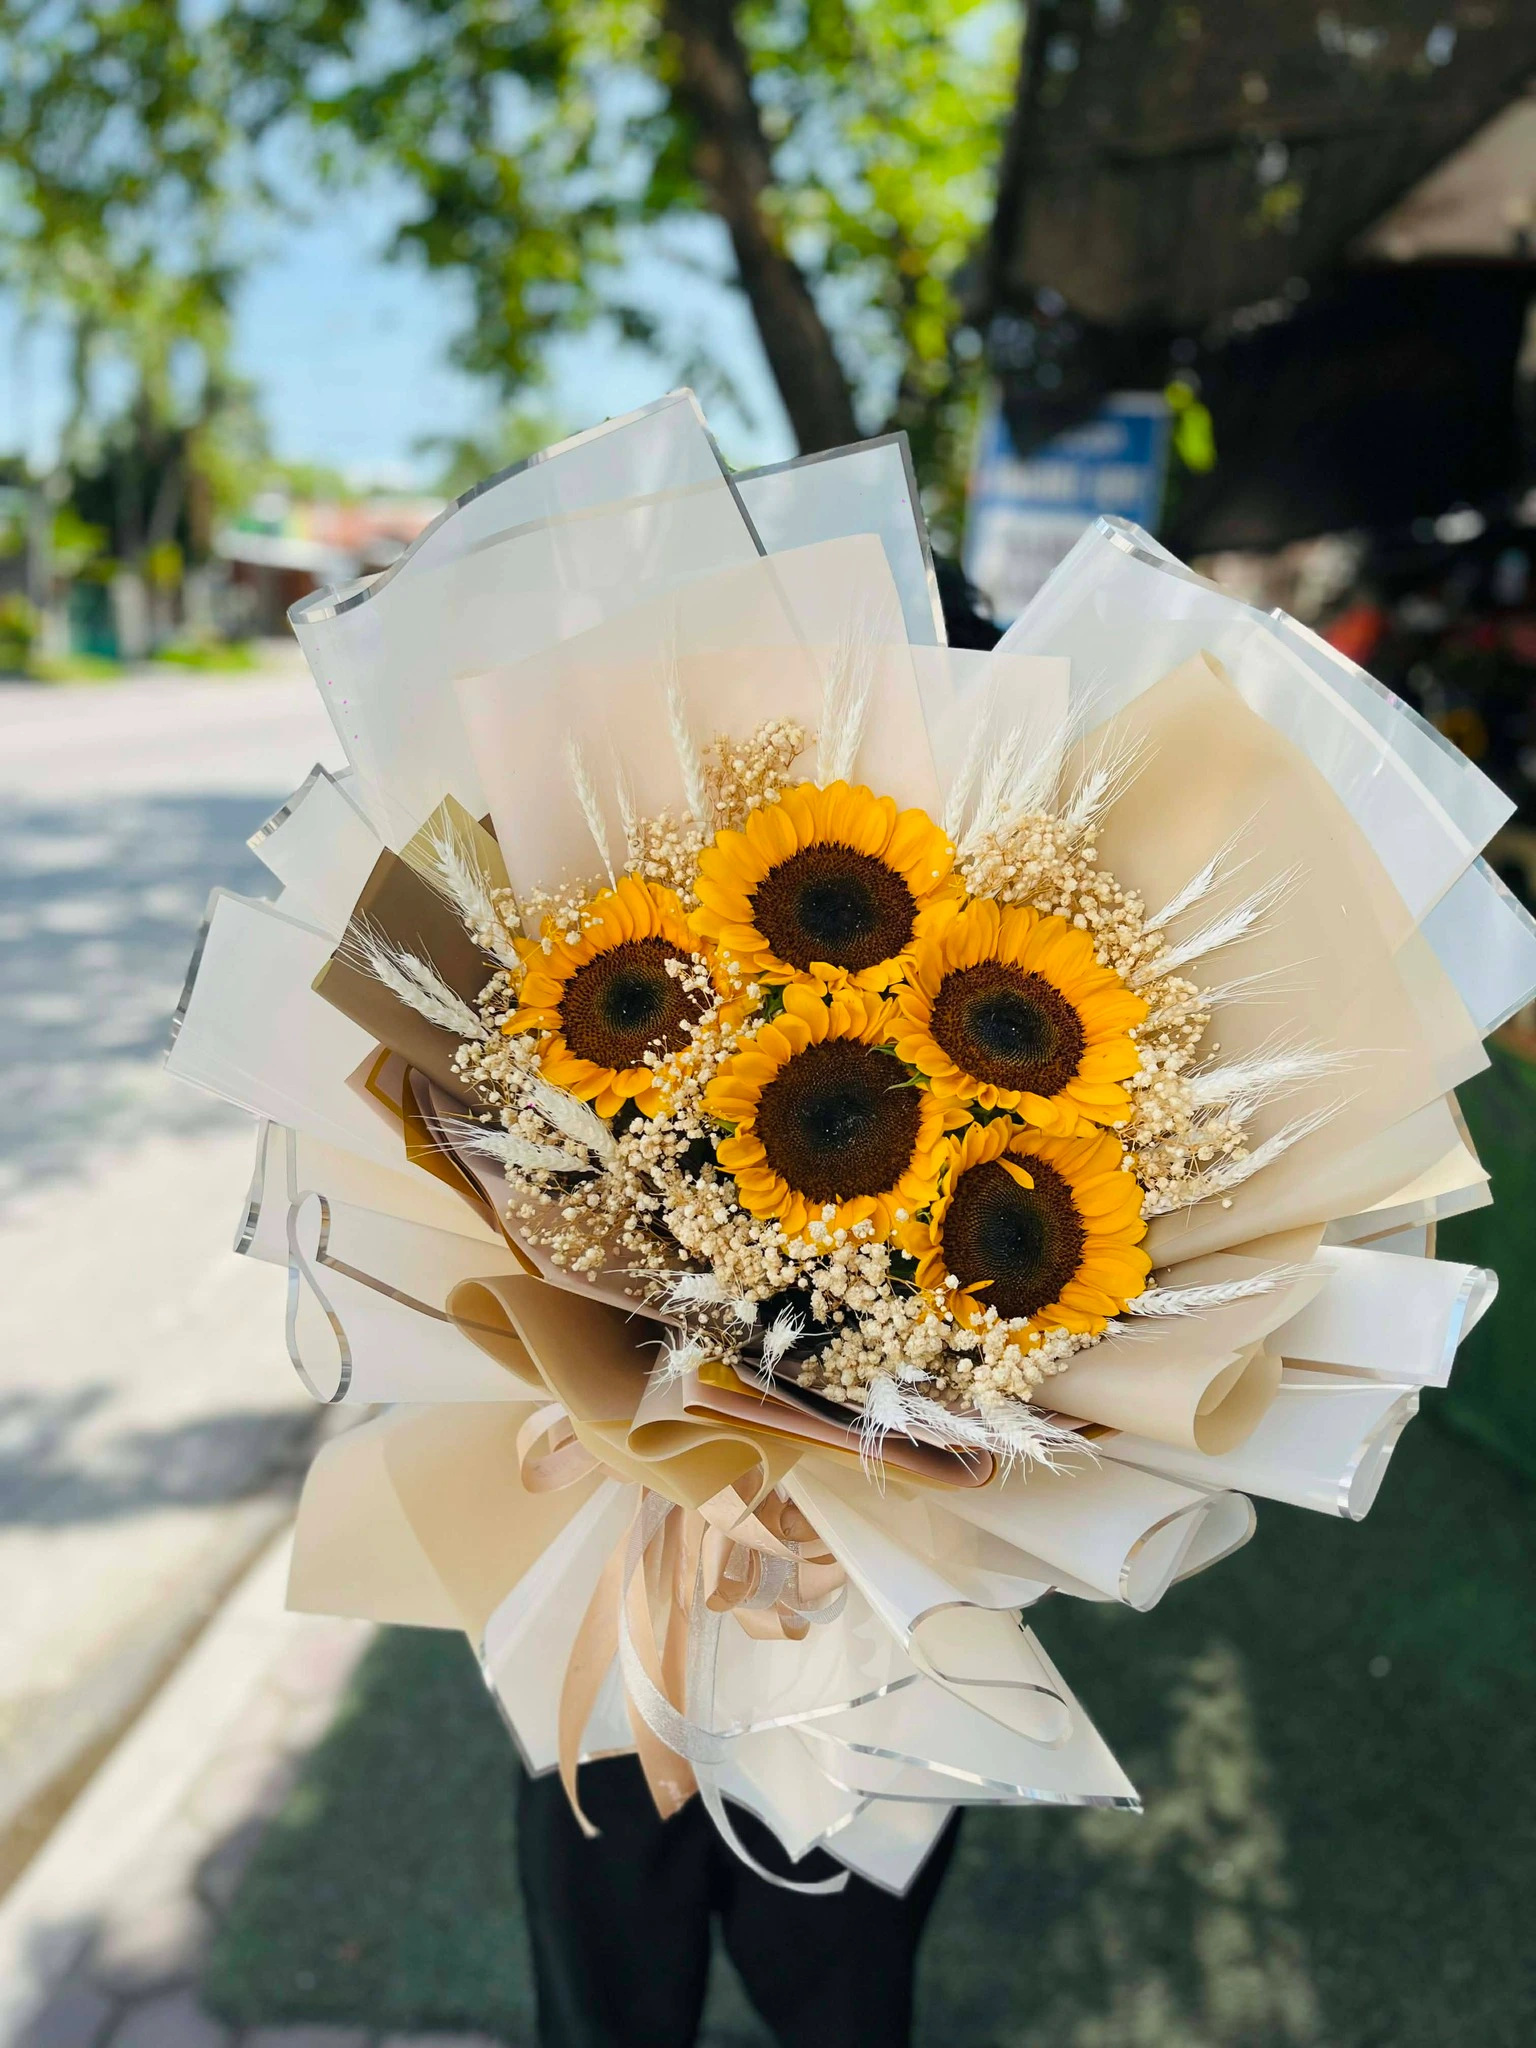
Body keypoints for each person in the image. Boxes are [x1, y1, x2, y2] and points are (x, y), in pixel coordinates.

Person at [514, 556, 1002, 2048]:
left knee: (842, 1987)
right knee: (608, 1977)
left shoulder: (980, 943)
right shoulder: (628, 894)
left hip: (869, 1610)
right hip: (615, 1581)